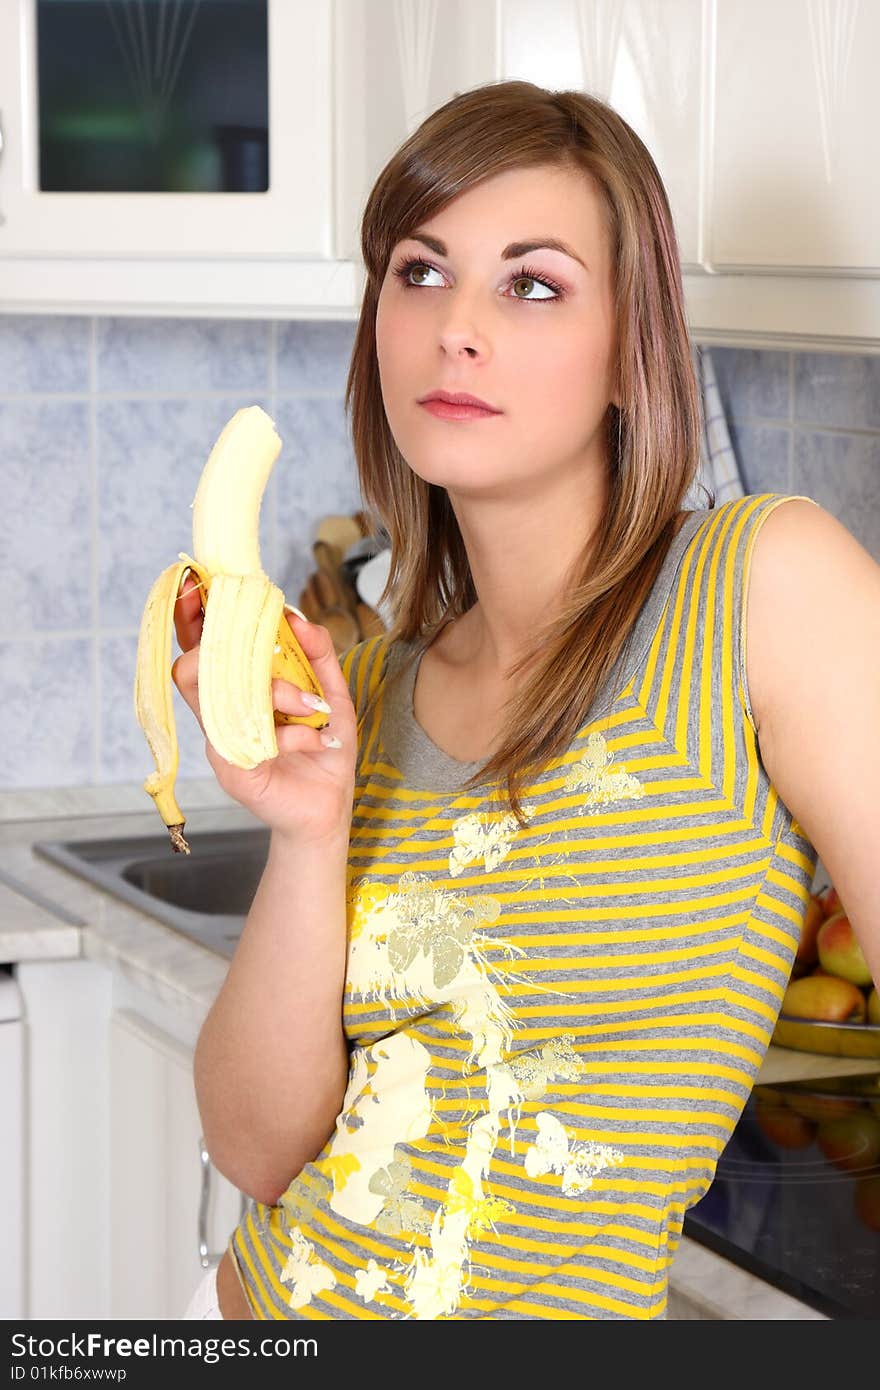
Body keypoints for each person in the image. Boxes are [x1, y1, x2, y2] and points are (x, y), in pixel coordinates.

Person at [175, 80, 880, 1321]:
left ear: (629, 351)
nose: (457, 327)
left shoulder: (763, 583)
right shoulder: (380, 686)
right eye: (419, 271)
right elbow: (256, 1147)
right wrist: (305, 825)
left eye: (533, 283)